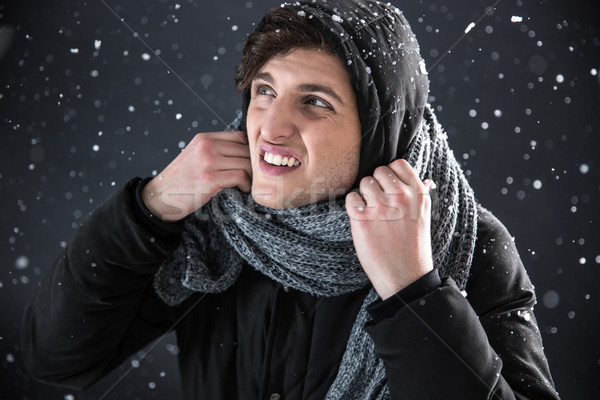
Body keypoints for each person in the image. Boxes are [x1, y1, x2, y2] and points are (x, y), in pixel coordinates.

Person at [21, 0, 560, 399]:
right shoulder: (217, 222)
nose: (270, 128)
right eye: (264, 91)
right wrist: (149, 208)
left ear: (381, 132)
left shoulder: (464, 241)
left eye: (315, 102)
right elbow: (58, 359)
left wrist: (415, 293)